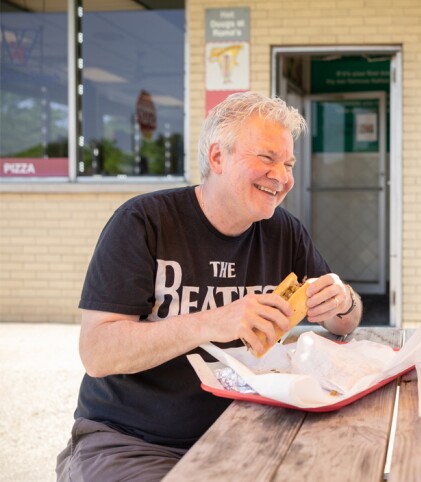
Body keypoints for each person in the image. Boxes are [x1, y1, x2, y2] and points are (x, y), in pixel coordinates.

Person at [56, 91, 362, 481]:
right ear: (218, 157)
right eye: (267, 159)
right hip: (131, 441)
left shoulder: (284, 231)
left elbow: (344, 323)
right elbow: (97, 353)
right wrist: (213, 321)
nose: (283, 177)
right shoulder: (143, 222)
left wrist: (342, 300)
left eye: (288, 163)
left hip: (247, 434)